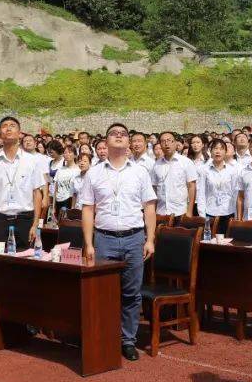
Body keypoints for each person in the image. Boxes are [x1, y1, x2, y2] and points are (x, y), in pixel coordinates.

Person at [79, 122, 157, 362]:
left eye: (124, 134)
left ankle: (128, 340)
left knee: (132, 293)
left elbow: (149, 207)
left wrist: (150, 239)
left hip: (134, 238)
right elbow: (88, 209)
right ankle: (106, 335)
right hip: (105, 239)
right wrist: (89, 243)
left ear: (129, 141)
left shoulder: (140, 171)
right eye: (114, 134)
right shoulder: (94, 173)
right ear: (105, 141)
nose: (120, 137)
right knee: (104, 291)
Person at [0, 116, 45, 249]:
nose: (8, 128)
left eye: (12, 125)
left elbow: (37, 194)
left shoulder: (32, 161)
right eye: (4, 126)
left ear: (20, 134)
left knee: (25, 262)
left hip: (25, 220)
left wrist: (35, 224)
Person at [151, 131, 197, 221]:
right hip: (161, 212)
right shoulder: (157, 164)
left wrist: (189, 211)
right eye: (163, 141)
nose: (166, 143)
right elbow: (154, 189)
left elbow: (192, 186)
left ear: (175, 143)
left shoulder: (186, 162)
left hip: (180, 212)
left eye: (169, 140)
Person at [201, 138, 239, 234]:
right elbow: (201, 193)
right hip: (210, 212)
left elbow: (235, 193)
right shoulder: (205, 170)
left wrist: (236, 214)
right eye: (215, 148)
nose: (218, 151)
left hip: (228, 212)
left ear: (225, 152)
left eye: (221, 149)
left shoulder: (232, 170)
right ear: (210, 151)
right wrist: (202, 215)